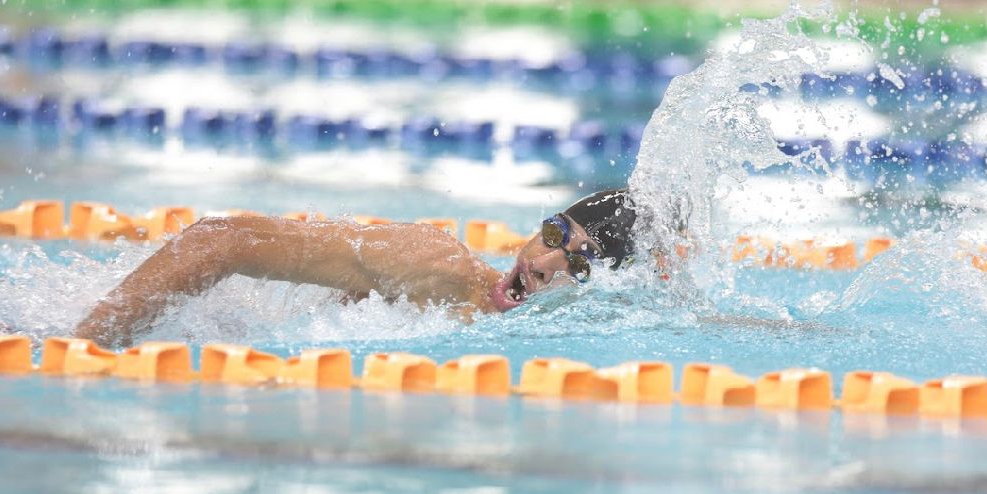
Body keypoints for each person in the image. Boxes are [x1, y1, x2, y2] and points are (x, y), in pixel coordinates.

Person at [74, 189, 639, 347]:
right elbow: (221, 240)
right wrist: (84, 346)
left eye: (579, 264)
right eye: (551, 236)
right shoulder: (435, 269)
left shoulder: (593, 336)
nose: (541, 264)